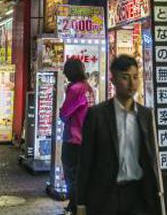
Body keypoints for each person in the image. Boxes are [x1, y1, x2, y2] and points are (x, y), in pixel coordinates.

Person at [76, 55, 161, 215]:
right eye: (125, 78)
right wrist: (80, 203)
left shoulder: (145, 115)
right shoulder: (97, 115)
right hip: (106, 196)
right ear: (113, 80)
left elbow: (151, 158)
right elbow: (85, 161)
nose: (132, 83)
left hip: (138, 195)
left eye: (135, 77)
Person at [60, 59, 95, 215]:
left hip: (73, 139)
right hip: (87, 139)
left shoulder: (75, 89)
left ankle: (74, 207)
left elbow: (64, 114)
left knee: (71, 175)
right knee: (81, 176)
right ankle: (76, 205)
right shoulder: (88, 88)